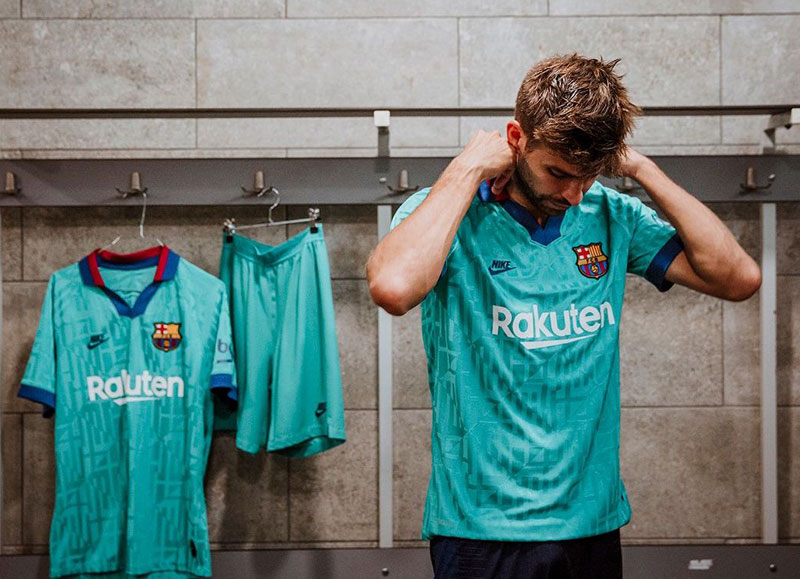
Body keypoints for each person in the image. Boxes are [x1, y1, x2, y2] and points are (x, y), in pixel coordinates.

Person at [365, 54, 761, 579]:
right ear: (517, 138)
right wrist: (468, 167)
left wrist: (641, 169)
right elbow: (392, 288)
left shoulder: (612, 215)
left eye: (589, 177)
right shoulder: (444, 211)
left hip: (589, 524)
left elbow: (738, 278)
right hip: (480, 527)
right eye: (558, 173)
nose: (574, 195)